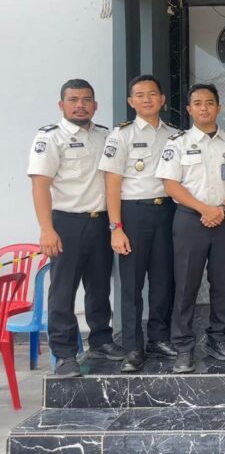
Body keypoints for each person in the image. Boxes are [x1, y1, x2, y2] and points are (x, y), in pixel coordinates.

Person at [27, 78, 124, 377]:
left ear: (95, 105)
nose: (80, 105)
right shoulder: (50, 138)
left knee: (99, 287)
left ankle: (101, 340)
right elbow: (40, 185)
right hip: (67, 223)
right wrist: (46, 229)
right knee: (63, 291)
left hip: (101, 222)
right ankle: (65, 354)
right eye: (73, 100)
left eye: (86, 100)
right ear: (62, 105)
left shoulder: (105, 136)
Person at [155, 83, 225, 374]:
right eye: (198, 103)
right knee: (186, 285)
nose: (204, 108)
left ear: (219, 107)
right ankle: (183, 346)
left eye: (209, 102)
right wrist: (205, 209)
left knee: (222, 283)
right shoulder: (177, 143)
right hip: (190, 220)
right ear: (189, 109)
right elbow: (170, 184)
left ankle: (218, 338)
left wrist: (223, 209)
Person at [99, 74, 178, 372]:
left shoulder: (175, 135)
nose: (147, 99)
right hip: (133, 214)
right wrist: (116, 228)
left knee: (163, 280)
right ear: (131, 101)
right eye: (140, 95)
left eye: (152, 93)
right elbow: (112, 184)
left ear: (162, 100)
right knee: (132, 284)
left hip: (167, 211)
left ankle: (159, 338)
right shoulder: (121, 135)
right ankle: (133, 347)